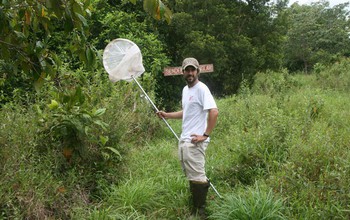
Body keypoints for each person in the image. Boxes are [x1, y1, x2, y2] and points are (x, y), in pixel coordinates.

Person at [157, 57, 219, 219]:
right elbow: (186, 113)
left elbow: (214, 111)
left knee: (197, 176)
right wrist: (167, 115)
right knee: (192, 175)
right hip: (184, 139)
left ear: (198, 71)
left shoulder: (202, 89)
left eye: (193, 70)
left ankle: (201, 212)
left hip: (195, 142)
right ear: (182, 72)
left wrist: (205, 135)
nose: (190, 73)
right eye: (187, 70)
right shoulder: (186, 90)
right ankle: (198, 203)